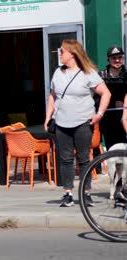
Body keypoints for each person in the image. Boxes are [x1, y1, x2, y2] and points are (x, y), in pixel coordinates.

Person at [44, 39, 111, 207]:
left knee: (84, 159)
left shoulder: (87, 73)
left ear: (72, 54)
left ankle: (86, 193)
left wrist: (99, 114)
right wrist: (48, 117)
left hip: (82, 122)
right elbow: (52, 96)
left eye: (62, 51)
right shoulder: (58, 73)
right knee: (65, 159)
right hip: (61, 123)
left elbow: (106, 93)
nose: (59, 54)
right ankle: (67, 193)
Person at [98, 46, 127, 150]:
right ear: (108, 59)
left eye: (119, 57)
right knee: (110, 149)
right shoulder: (101, 76)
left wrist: (123, 104)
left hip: (124, 118)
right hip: (107, 119)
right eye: (114, 58)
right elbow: (97, 98)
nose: (117, 60)